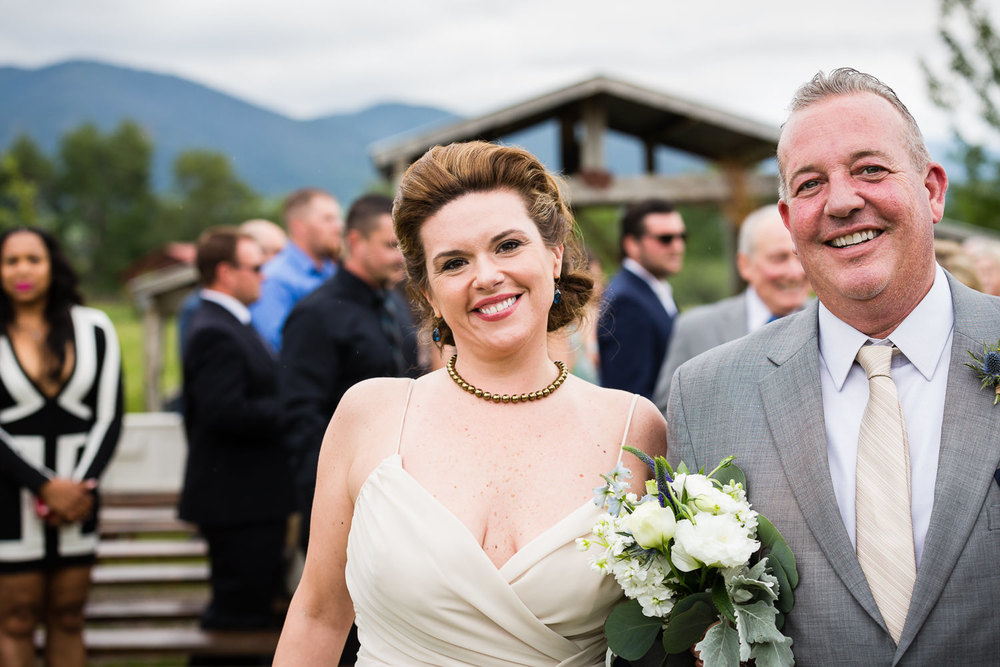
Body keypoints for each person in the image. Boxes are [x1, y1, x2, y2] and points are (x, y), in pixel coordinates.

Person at [273, 141, 666, 666]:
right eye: (454, 262)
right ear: (429, 292)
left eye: (507, 246)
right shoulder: (370, 414)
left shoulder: (633, 428)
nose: (486, 276)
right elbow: (318, 614)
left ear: (553, 256)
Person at [666, 68, 1000, 664]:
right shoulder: (708, 395)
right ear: (789, 218)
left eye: (870, 169)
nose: (843, 202)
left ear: (933, 190)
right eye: (811, 183)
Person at [0, 227, 123, 667]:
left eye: (33, 259)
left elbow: (109, 417)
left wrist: (78, 490)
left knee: (69, 617)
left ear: (52, 265)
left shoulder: (95, 328)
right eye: (11, 261)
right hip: (9, 501)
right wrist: (42, 486)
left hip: (79, 499)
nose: (22, 270)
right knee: (14, 620)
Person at [279, 193, 422, 552]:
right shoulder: (316, 314)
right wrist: (327, 503)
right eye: (391, 245)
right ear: (355, 241)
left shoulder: (394, 303)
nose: (400, 258)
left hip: (401, 490)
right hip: (341, 497)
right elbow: (301, 417)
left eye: (404, 247)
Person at [178, 228, 296, 631]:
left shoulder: (228, 321)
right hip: (237, 502)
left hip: (249, 500)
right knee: (239, 620)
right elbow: (225, 412)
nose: (265, 275)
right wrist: (292, 411)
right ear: (226, 272)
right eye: (257, 267)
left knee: (253, 612)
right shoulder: (214, 328)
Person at [652, 204, 809, 410]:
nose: (794, 272)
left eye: (799, 256)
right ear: (745, 264)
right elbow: (668, 415)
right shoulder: (696, 330)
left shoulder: (833, 322)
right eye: (779, 258)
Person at [598, 198, 685, 399]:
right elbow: (629, 393)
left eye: (682, 236)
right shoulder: (626, 302)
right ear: (632, 244)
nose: (677, 246)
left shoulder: (649, 290)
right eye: (666, 238)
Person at [250, 188, 343, 352]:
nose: (338, 227)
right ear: (299, 227)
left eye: (338, 218)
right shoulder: (274, 279)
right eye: (328, 219)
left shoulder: (333, 270)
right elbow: (280, 346)